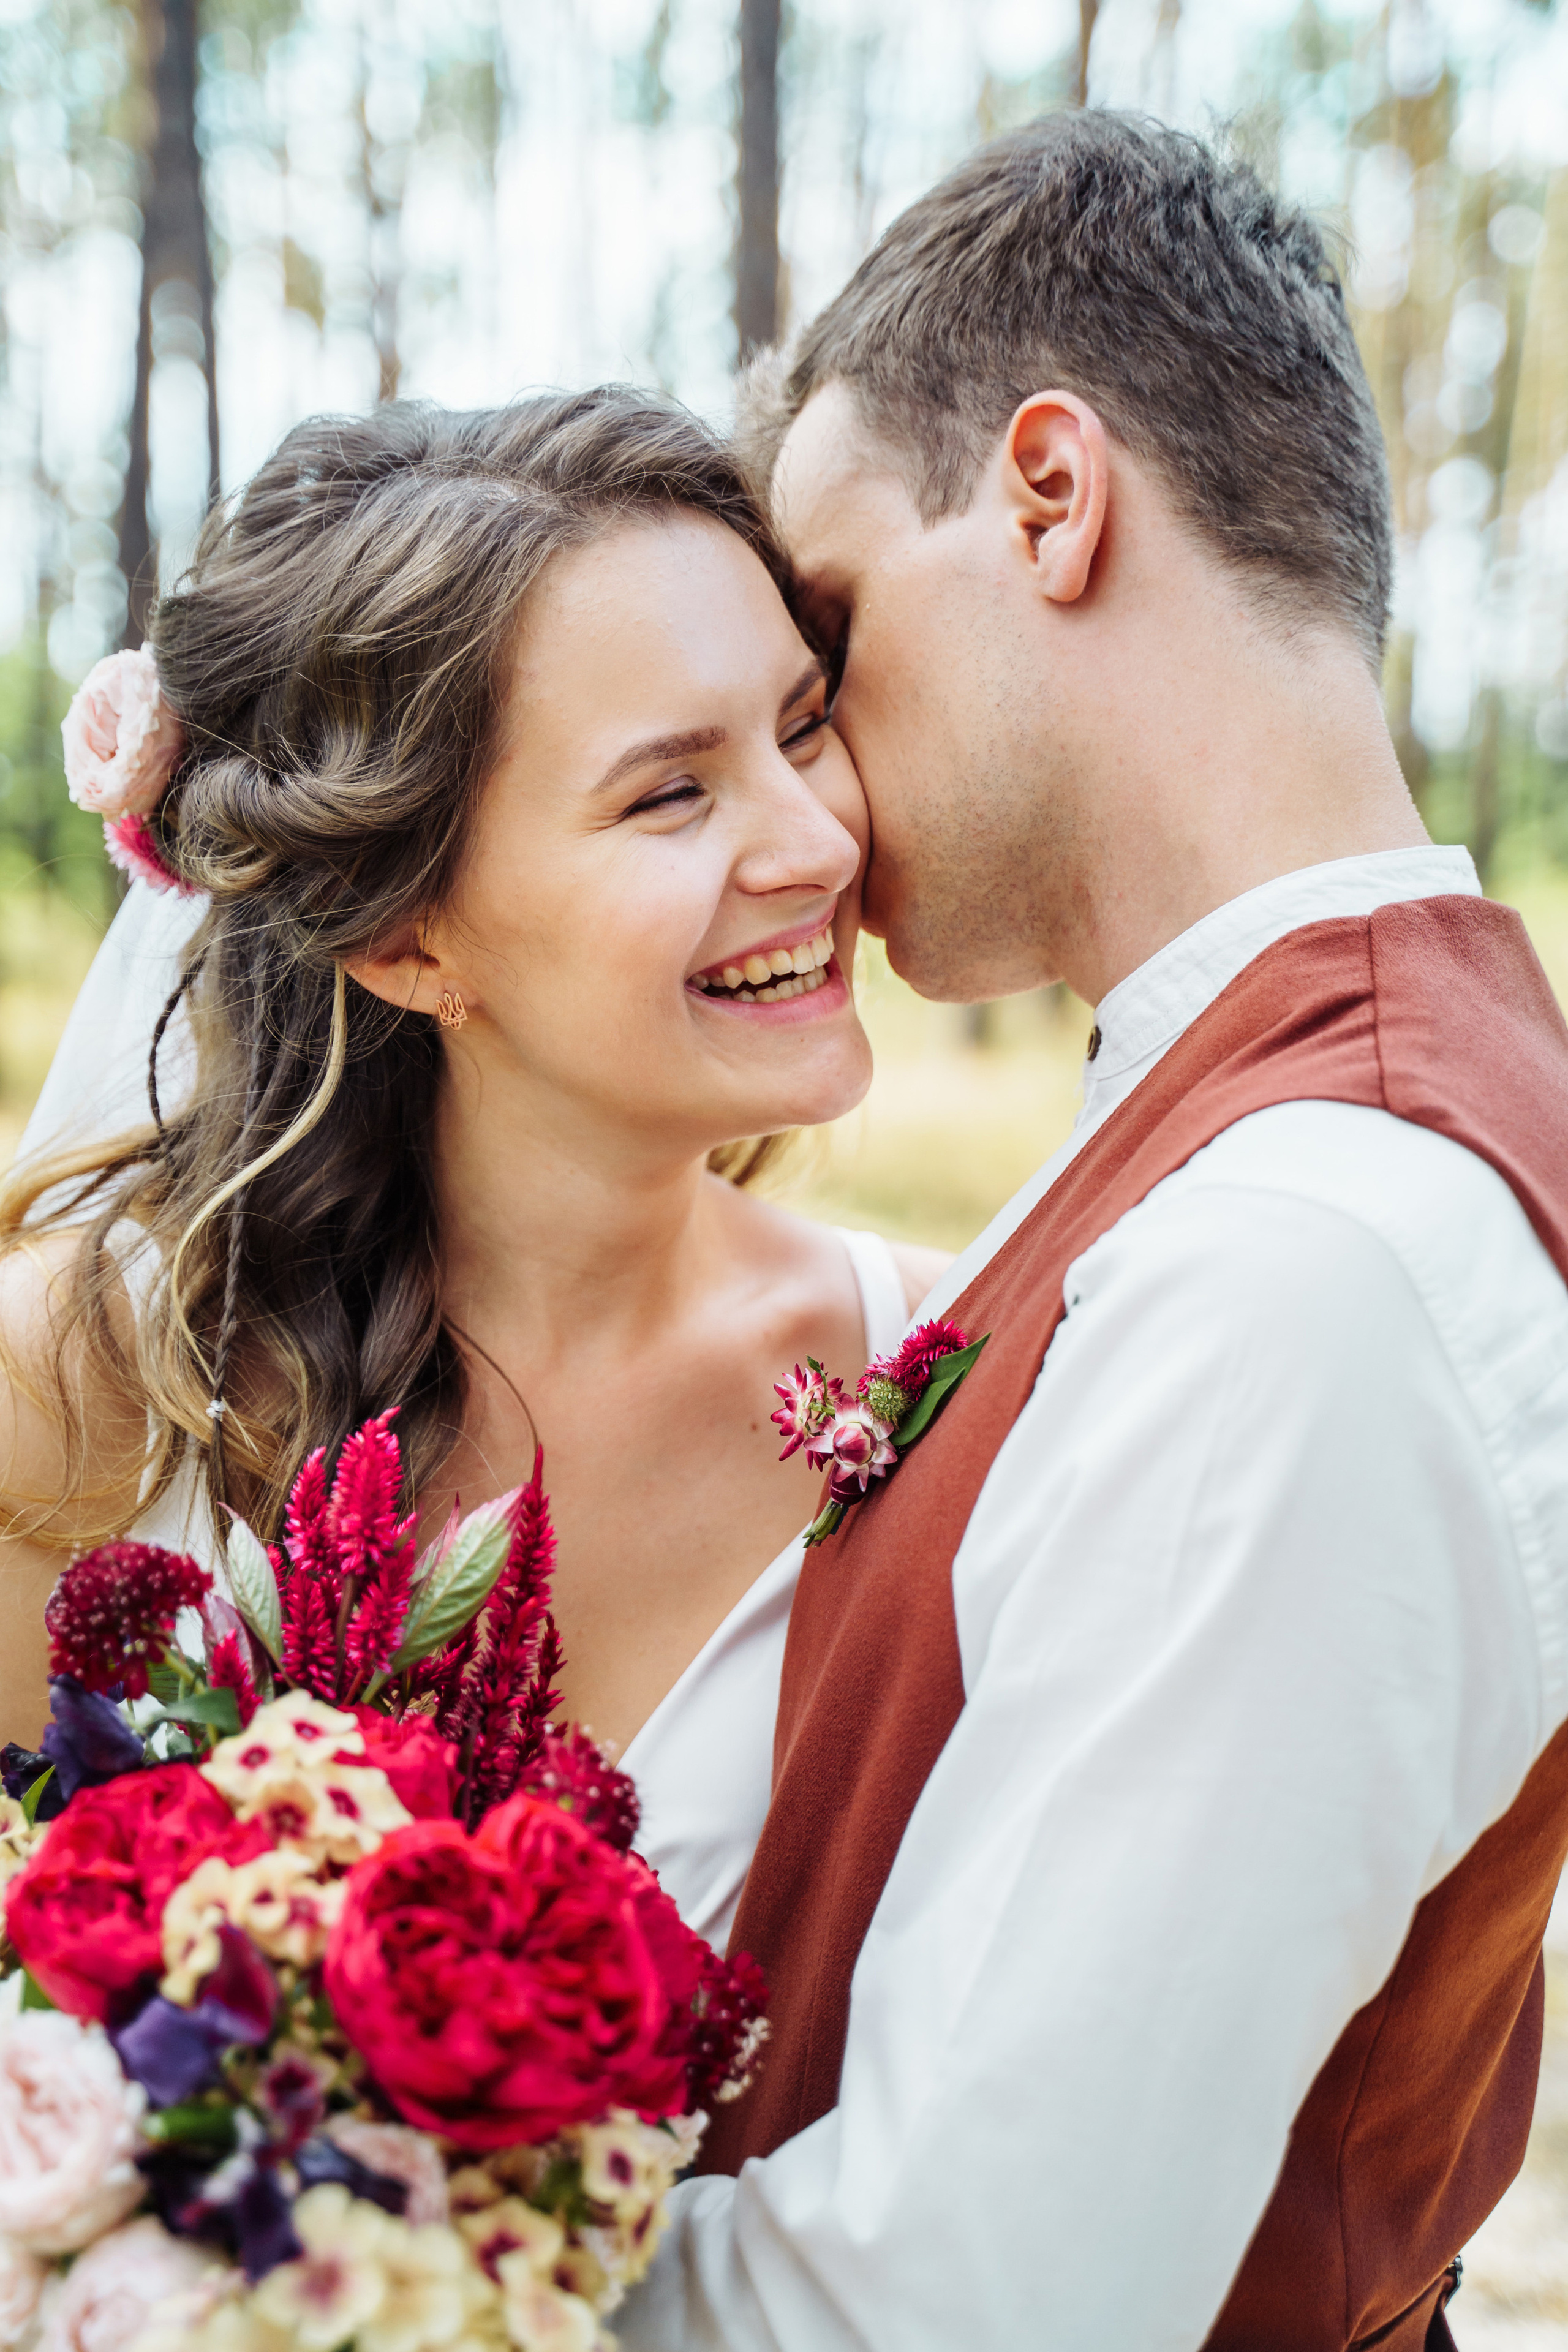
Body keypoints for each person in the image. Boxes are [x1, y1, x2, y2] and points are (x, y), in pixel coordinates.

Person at [619, 113, 1568, 2351]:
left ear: (1054, 496)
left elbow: (959, 2303)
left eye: (832, 637)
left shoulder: (1309, 1259)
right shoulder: (1291, 1107)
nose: (819, 782)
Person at [0, 388, 947, 1950]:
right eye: (670, 790)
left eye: (802, 724)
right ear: (405, 936)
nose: (818, 844)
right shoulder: (78, 1387)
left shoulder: (933, 1377)